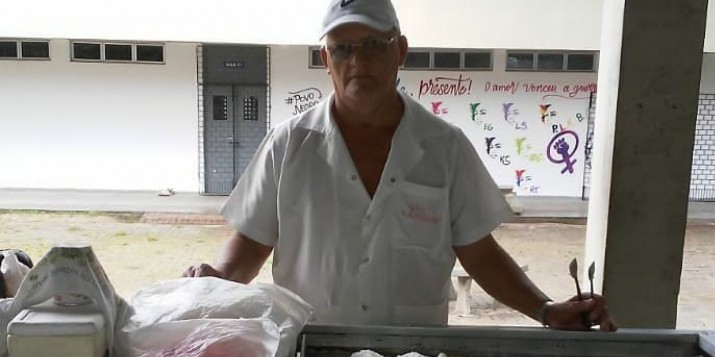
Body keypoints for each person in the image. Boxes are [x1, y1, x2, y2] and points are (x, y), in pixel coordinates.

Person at [184, 0, 617, 332]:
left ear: (401, 51)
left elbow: (480, 253)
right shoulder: (289, 144)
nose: (358, 62)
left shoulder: (444, 147)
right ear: (326, 60)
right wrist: (217, 279)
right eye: (343, 49)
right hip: (308, 350)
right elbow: (252, 242)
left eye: (374, 45)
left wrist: (544, 310)